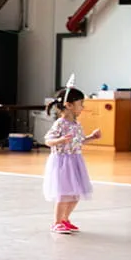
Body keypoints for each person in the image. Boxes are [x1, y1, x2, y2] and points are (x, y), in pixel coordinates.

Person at [43, 82, 99, 234]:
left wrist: (91, 137)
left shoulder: (76, 124)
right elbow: (48, 140)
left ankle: (65, 219)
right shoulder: (60, 124)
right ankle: (56, 222)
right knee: (64, 193)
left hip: (75, 161)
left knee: (75, 194)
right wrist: (60, 140)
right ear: (68, 105)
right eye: (80, 104)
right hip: (62, 162)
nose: (82, 107)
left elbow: (78, 141)